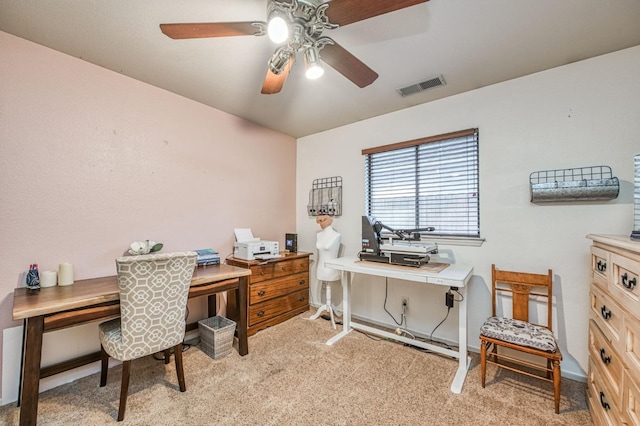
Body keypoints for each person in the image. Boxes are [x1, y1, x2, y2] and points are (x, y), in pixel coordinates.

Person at [310, 215, 342, 328]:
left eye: (323, 220)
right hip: (320, 268)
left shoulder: (337, 235)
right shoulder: (319, 235)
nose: (321, 223)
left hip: (331, 269)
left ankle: (333, 309)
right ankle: (325, 307)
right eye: (319, 221)